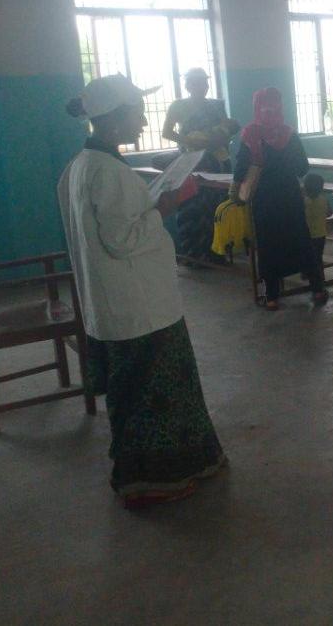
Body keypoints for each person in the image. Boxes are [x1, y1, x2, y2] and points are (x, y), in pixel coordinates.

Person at [58, 75, 225, 508]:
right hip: (137, 307)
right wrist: (167, 204)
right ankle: (149, 479)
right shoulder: (106, 172)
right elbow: (123, 240)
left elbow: (116, 223)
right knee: (149, 395)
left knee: (155, 388)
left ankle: (192, 460)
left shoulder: (83, 165)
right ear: (114, 119)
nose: (144, 121)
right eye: (137, 113)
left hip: (125, 302)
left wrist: (153, 202)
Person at [233, 87, 326, 310]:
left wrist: (235, 190)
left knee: (268, 245)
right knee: (301, 241)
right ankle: (317, 288)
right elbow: (302, 168)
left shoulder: (250, 135)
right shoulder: (288, 134)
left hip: (264, 198)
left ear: (257, 108)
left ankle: (272, 297)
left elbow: (240, 168)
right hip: (289, 197)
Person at [159, 68, 240, 261]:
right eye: (197, 83)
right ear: (188, 86)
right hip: (192, 162)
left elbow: (226, 130)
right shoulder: (178, 106)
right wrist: (189, 141)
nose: (202, 87)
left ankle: (219, 253)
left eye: (204, 83)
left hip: (217, 162)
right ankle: (195, 254)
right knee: (193, 206)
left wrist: (217, 139)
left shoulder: (216, 106)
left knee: (217, 206)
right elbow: (167, 132)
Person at [303, 173, 330, 280]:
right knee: (318, 256)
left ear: (305, 188)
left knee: (306, 255)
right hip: (321, 234)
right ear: (321, 188)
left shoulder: (304, 202)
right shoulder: (324, 200)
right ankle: (320, 277)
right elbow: (329, 213)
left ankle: (306, 273)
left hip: (307, 235)